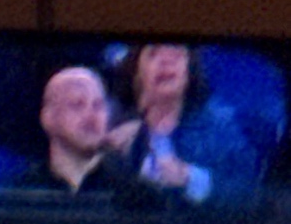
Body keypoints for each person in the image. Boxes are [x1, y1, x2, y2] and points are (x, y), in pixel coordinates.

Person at [107, 43, 257, 205]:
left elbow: (249, 193)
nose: (166, 62)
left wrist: (189, 177)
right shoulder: (116, 130)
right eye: (153, 54)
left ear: (189, 72)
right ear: (137, 74)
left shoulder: (222, 129)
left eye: (176, 54)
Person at [6, 66, 147, 203]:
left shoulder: (137, 197)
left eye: (98, 105)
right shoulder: (20, 197)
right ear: (48, 118)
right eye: (77, 105)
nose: (91, 117)